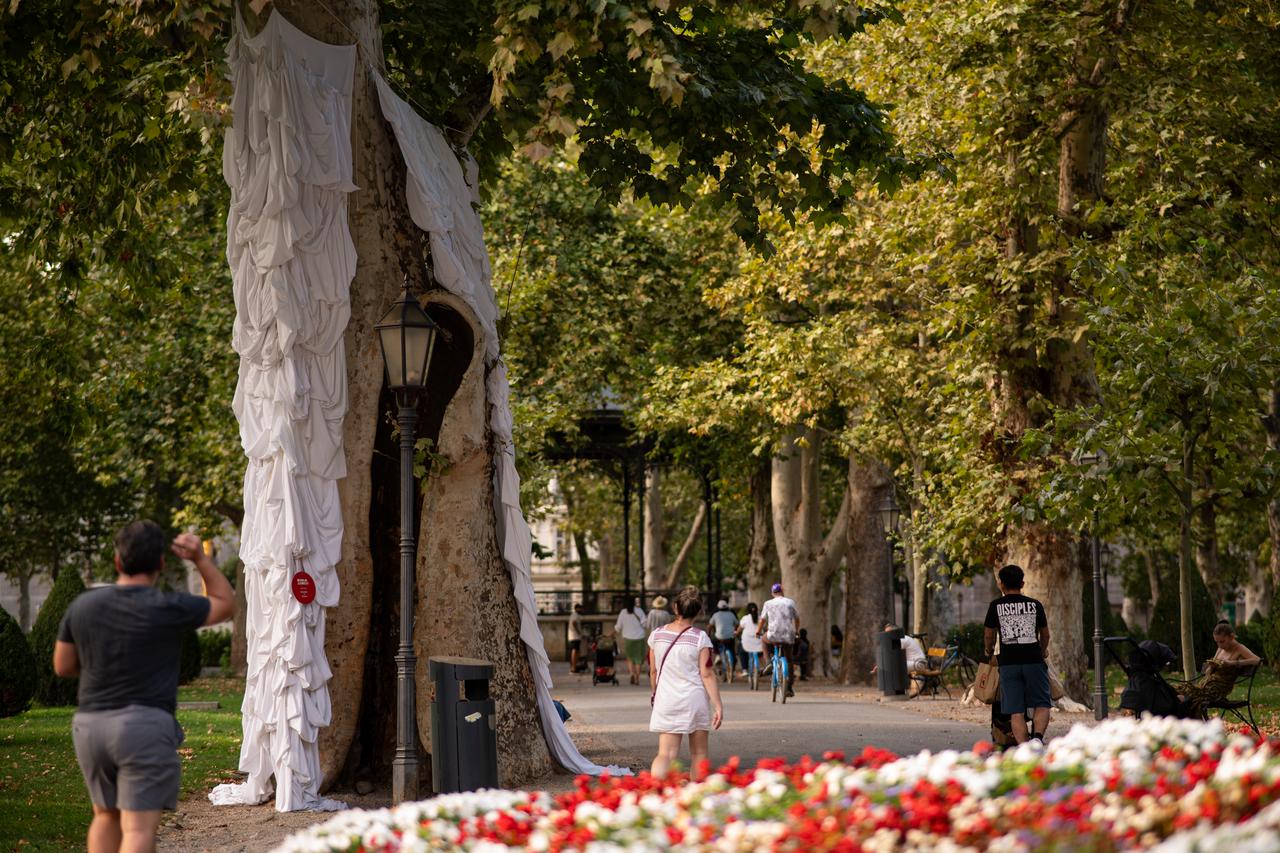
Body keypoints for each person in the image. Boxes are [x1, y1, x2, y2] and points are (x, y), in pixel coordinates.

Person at [53, 521, 235, 853]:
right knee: (137, 830)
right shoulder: (169, 606)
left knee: (104, 816)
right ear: (161, 564)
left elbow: (63, 666)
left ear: (118, 561)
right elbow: (225, 603)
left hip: (90, 726)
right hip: (143, 727)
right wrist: (200, 559)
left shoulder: (82, 606)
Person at [648, 586, 723, 778]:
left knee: (665, 754)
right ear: (699, 611)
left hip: (666, 700)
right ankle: (696, 796)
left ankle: (657, 792)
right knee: (699, 753)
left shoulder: (657, 635)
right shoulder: (700, 638)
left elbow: (653, 671)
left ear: (675, 607)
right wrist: (718, 705)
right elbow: (706, 674)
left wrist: (655, 694)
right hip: (694, 700)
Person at [983, 564, 1051, 744]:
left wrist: (988, 651)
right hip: (1034, 661)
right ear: (1022, 583)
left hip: (1008, 663)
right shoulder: (1035, 605)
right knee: (1042, 702)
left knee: (1016, 710)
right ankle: (1037, 740)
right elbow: (1045, 634)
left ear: (1001, 584)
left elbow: (989, 635)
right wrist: (1042, 651)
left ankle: (1024, 748)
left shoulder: (995, 606)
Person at [1177, 621, 1261, 716]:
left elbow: (1257, 660)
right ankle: (1183, 720)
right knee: (1179, 690)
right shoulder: (1220, 648)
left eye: (1222, 641)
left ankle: (1194, 722)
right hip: (1207, 684)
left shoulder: (1239, 648)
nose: (1219, 645)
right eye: (1217, 642)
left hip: (1219, 689)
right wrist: (1211, 667)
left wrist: (1233, 663)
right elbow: (1210, 670)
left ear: (1232, 637)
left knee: (1191, 697)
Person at [757, 582, 799, 697]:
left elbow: (762, 620)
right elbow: (797, 619)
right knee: (789, 661)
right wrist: (797, 631)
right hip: (788, 636)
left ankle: (768, 663)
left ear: (772, 593)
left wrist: (758, 631)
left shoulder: (768, 603)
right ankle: (789, 688)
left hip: (773, 635)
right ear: (782, 592)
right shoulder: (790, 602)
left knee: (764, 640)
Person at [615, 598, 648, 685]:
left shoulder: (623, 612)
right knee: (638, 660)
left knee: (630, 659)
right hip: (639, 638)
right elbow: (645, 624)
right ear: (634, 603)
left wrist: (613, 633)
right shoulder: (639, 611)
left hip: (628, 639)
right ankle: (637, 678)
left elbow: (618, 627)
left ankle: (632, 674)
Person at [708, 599, 738, 678]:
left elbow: (709, 626)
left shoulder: (715, 615)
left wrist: (708, 634)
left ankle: (717, 654)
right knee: (732, 649)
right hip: (730, 637)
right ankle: (733, 667)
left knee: (713, 640)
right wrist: (735, 631)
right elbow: (737, 624)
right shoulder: (731, 614)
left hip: (719, 637)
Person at [568, 603, 584, 673]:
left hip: (575, 636)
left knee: (576, 651)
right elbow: (574, 623)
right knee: (575, 651)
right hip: (574, 636)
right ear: (577, 608)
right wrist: (579, 632)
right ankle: (573, 667)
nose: (581, 610)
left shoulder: (575, 615)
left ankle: (574, 666)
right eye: (580, 608)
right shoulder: (575, 615)